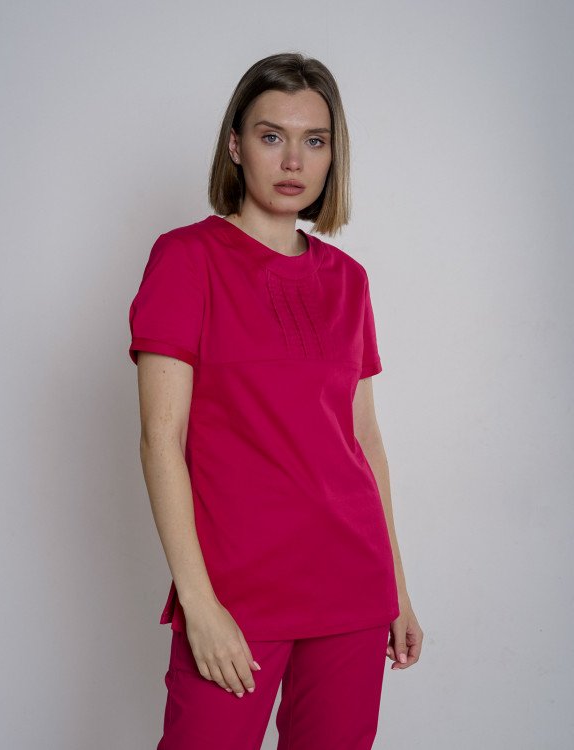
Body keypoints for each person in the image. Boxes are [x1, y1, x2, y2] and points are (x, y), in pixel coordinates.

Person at [128, 51, 423, 750]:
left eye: (314, 140)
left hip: (353, 585)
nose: (293, 160)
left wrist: (397, 590)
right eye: (271, 136)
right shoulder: (186, 259)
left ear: (332, 155)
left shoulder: (349, 280)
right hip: (236, 593)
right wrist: (198, 603)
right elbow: (161, 440)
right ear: (235, 146)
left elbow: (364, 442)